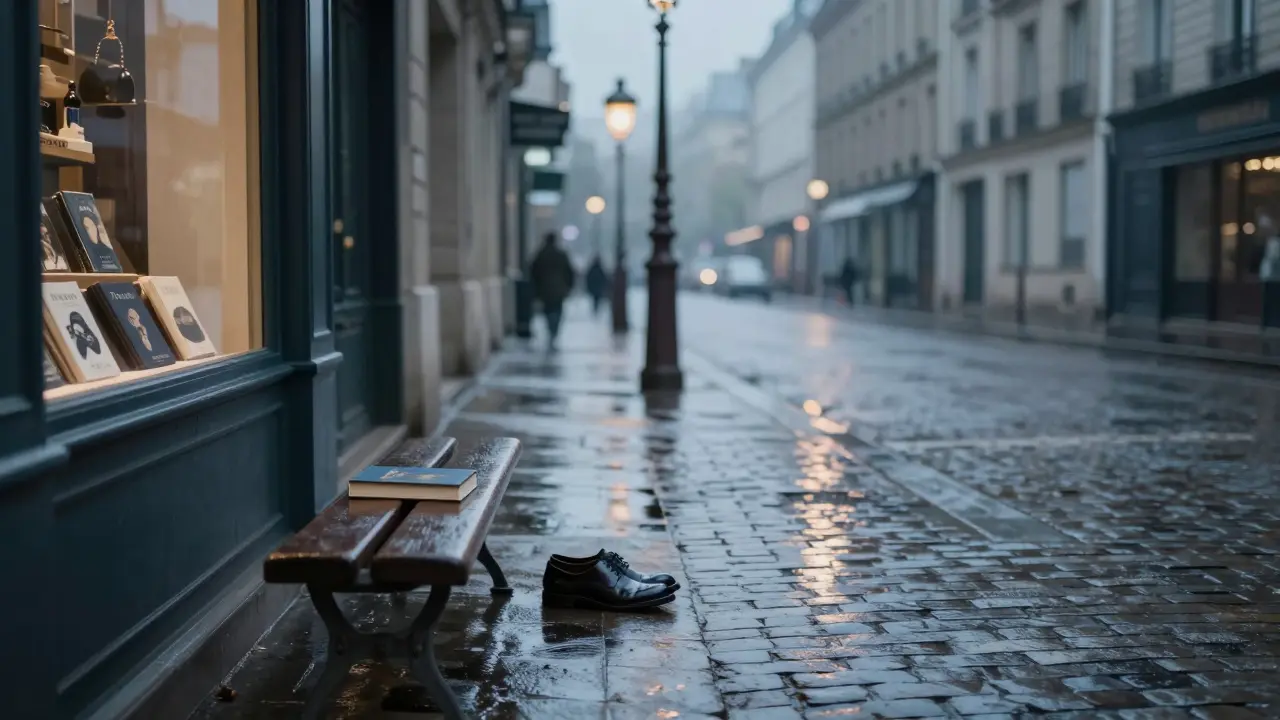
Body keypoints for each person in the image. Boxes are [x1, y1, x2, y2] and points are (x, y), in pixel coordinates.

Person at [530, 231, 576, 348]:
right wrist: (569, 287)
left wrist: (536, 289)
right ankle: (554, 330)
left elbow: (533, 273)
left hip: (545, 290)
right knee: (557, 310)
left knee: (548, 310)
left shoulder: (540, 255)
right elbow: (570, 272)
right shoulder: (561, 255)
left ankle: (551, 329)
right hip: (559, 289)